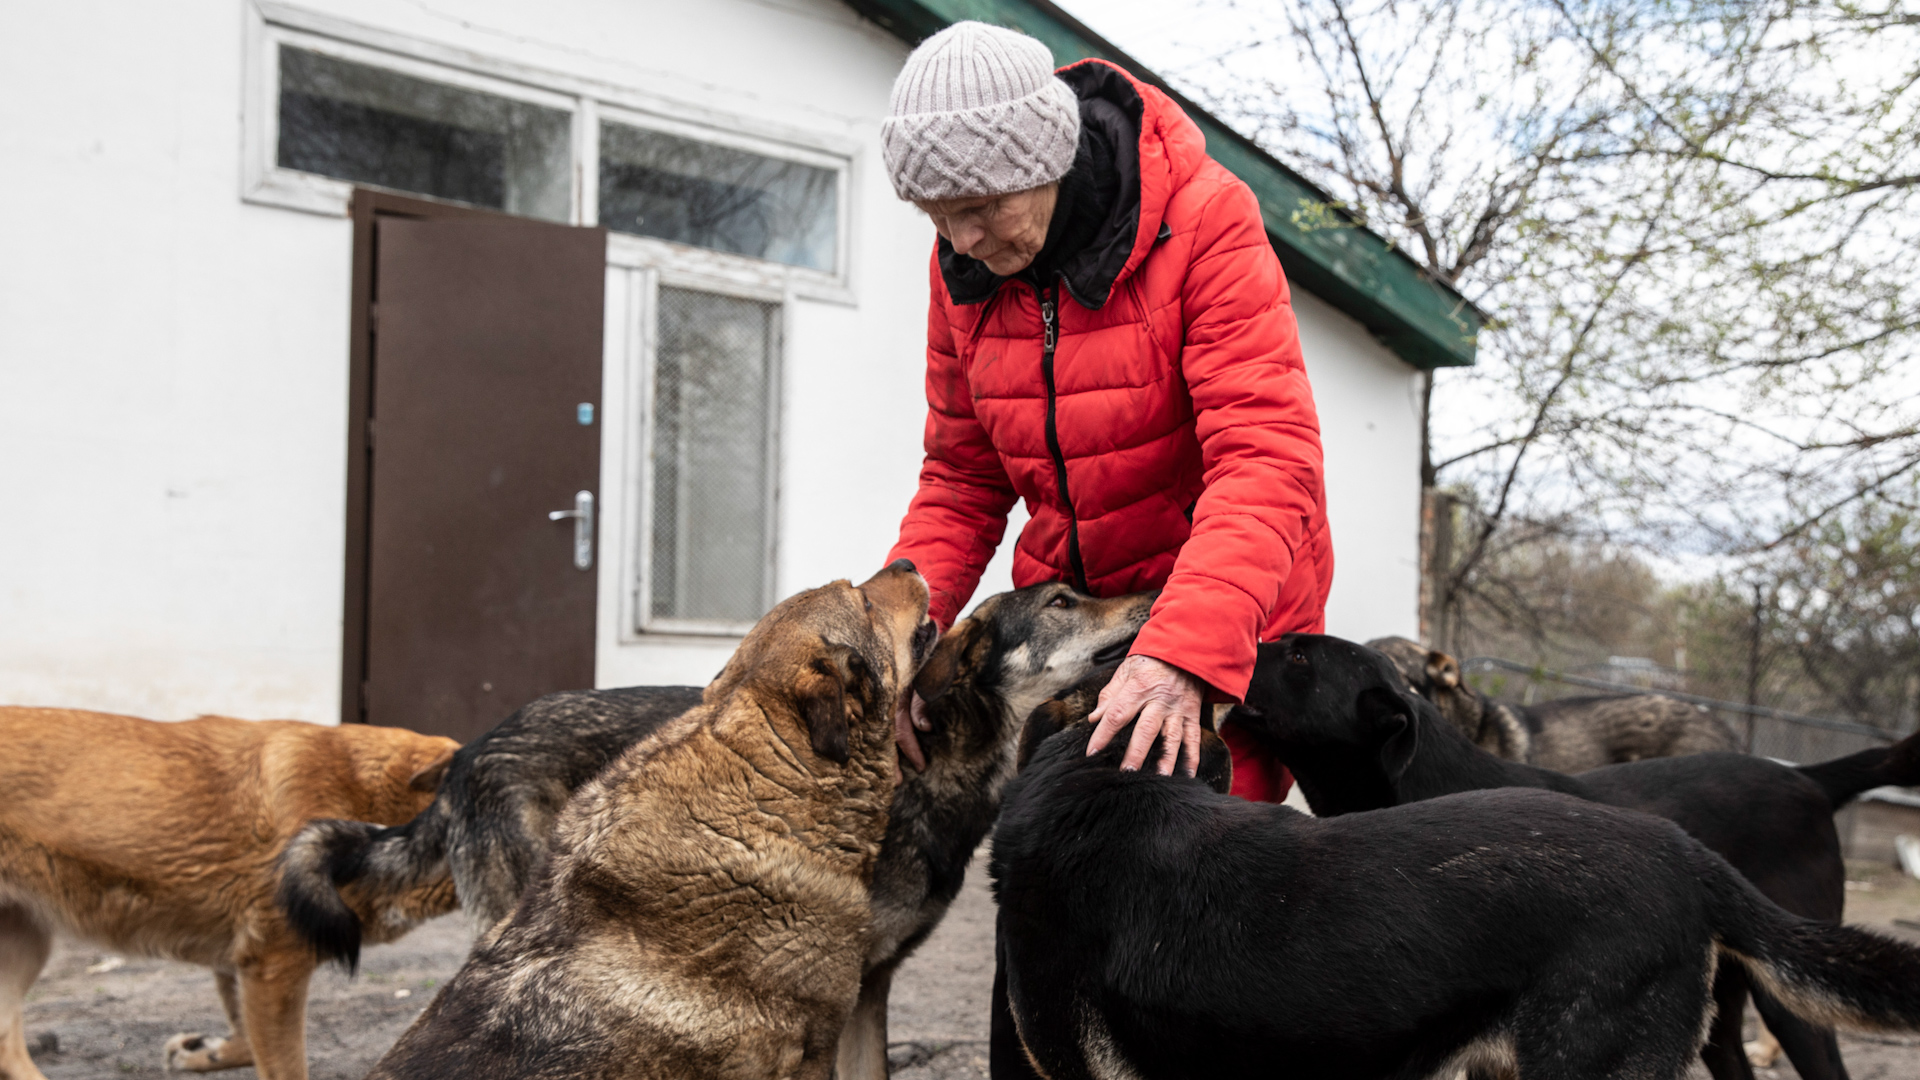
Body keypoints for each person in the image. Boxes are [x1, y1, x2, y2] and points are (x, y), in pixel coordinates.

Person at [881, 22, 1331, 802]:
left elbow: (1267, 457)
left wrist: (1184, 652)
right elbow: (961, 477)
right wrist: (893, 648)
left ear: (1047, 160)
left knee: (1197, 898)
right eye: (935, 215)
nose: (962, 238)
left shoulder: (1206, 221)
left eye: (981, 205)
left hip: (1215, 632)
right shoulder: (965, 263)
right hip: (1074, 643)